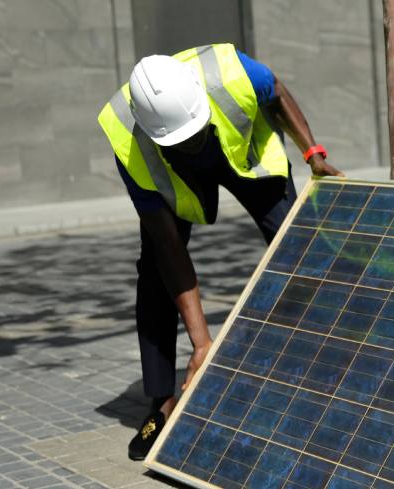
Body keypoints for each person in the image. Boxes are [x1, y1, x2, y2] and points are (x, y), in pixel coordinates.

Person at [97, 44, 343, 461]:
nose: (191, 144)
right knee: (155, 271)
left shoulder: (233, 73)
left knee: (299, 249)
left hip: (242, 154)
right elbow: (170, 250)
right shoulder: (128, 140)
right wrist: (202, 342)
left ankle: (330, 369)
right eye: (182, 141)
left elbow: (278, 91)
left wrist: (312, 153)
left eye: (193, 135)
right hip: (173, 178)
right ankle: (160, 401)